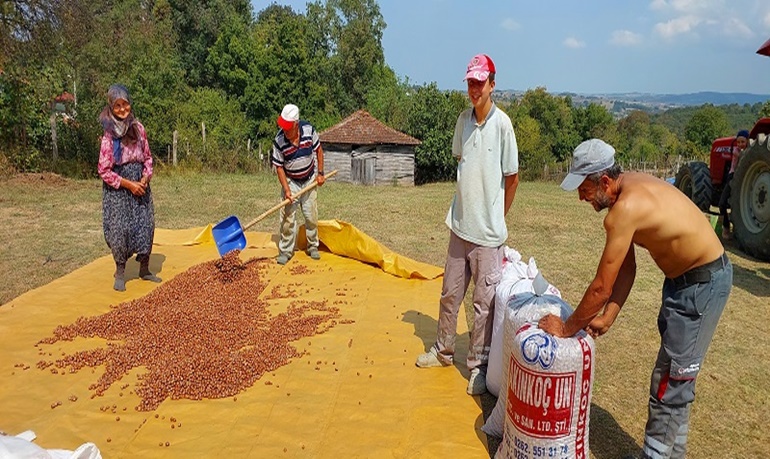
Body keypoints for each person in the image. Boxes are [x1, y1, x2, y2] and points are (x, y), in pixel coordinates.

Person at [538, 139, 732, 459]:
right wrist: (609, 316)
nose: (580, 196)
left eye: (584, 188)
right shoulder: (626, 191)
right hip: (685, 284)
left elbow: (601, 287)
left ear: (603, 181)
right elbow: (627, 268)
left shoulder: (624, 209)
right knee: (671, 381)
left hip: (702, 285)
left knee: (671, 386)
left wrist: (566, 328)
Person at [415, 54, 520, 396]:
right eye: (470, 83)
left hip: (488, 236)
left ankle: (477, 367)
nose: (474, 89)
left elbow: (512, 178)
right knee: (450, 294)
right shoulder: (462, 121)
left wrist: (495, 217)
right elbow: (463, 163)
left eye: (480, 82)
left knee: (483, 305)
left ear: (492, 83)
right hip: (459, 226)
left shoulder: (503, 125)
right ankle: (443, 351)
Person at [97, 84, 161, 291]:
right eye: (118, 106)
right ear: (111, 108)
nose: (122, 109)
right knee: (120, 229)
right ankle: (121, 272)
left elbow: (148, 158)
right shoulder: (109, 134)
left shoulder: (138, 128)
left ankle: (144, 269)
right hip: (118, 188)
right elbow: (104, 170)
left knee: (146, 224)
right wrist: (129, 185)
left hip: (139, 184)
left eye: (125, 104)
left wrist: (145, 177)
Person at [271, 103, 326, 265]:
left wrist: (320, 173)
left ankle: (312, 246)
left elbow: (319, 150)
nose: (285, 131)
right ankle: (286, 251)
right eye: (283, 127)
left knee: (311, 216)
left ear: (296, 124)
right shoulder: (279, 141)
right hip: (291, 182)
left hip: (309, 179)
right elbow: (279, 167)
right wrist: (287, 190)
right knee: (288, 218)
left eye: (288, 127)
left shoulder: (309, 130)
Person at [718, 129, 749, 240]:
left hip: (743, 178)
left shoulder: (747, 153)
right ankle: (726, 227)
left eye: (743, 142)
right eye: (738, 142)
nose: (740, 145)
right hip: (732, 176)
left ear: (747, 141)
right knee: (722, 203)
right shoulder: (736, 151)